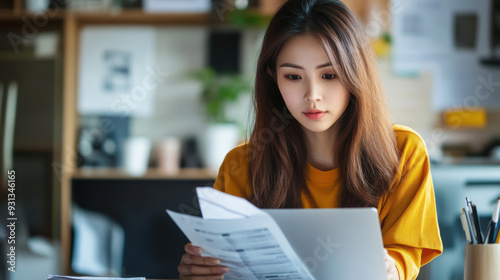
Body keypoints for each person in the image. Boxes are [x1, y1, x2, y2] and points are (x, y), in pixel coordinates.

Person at [177, 0, 443, 279]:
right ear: (273, 78)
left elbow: (405, 255)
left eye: (329, 75)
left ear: (356, 74)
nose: (312, 94)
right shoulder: (242, 164)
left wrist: (393, 268)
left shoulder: (403, 152)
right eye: (293, 76)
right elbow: (223, 262)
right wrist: (202, 272)